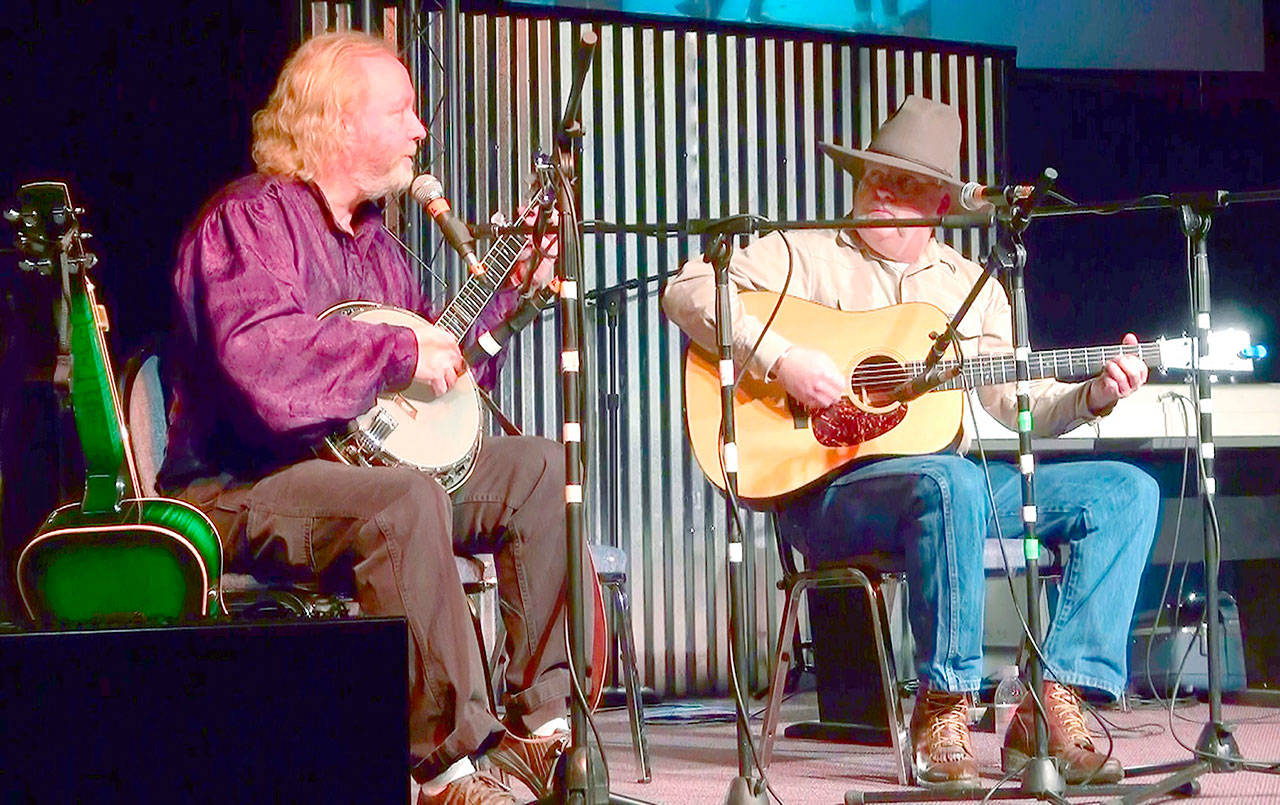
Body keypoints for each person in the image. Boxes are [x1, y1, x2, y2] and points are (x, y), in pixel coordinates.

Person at [662, 95, 1160, 790]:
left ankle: (1053, 699)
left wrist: (1093, 395)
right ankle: (943, 706)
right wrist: (780, 358)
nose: (881, 195)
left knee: (1126, 493)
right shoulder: (800, 254)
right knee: (948, 480)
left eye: (902, 186)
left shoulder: (973, 285)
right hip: (827, 493)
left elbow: (1017, 404)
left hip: (946, 492)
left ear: (938, 205)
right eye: (874, 178)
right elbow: (687, 290)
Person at [159, 31, 573, 805]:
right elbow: (264, 363)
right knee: (403, 500)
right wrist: (394, 352)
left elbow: (437, 394)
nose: (421, 130)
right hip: (243, 480)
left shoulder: (379, 248)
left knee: (540, 468)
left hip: (359, 470)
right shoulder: (248, 221)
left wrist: (510, 296)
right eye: (404, 110)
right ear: (340, 122)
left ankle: (538, 734)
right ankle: (447, 771)